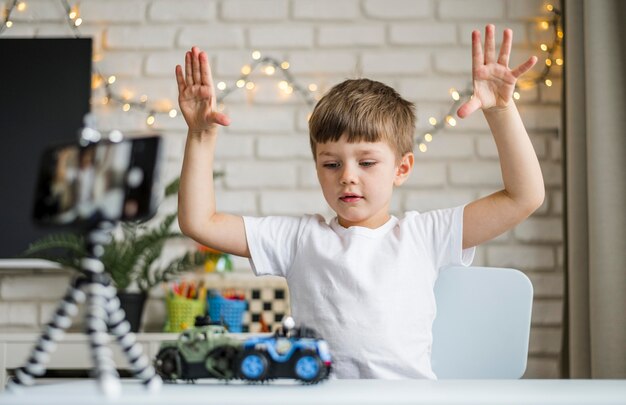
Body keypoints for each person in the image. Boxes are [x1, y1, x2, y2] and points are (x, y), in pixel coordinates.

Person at [176, 24, 544, 379]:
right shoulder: (298, 238)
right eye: (331, 164)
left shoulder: (426, 234)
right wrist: (199, 136)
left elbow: (522, 197)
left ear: (402, 168)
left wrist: (500, 111)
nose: (347, 176)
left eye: (366, 163)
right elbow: (200, 221)